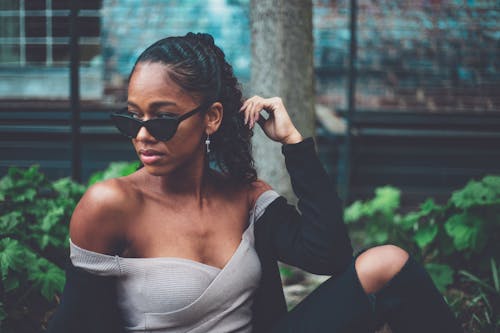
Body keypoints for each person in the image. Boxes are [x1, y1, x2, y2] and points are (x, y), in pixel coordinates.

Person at [48, 32, 461, 333]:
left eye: (161, 118)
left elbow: (329, 255)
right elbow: (75, 322)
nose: (142, 134)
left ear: (211, 118)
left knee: (387, 262)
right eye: (132, 117)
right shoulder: (112, 204)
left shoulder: (244, 196)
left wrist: (294, 145)